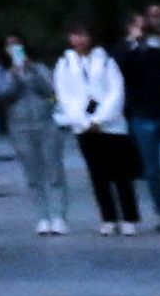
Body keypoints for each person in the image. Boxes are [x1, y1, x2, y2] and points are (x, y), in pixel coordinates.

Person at [57, 26, 136, 233]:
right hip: (83, 125)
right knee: (97, 174)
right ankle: (108, 217)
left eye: (83, 34)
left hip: (111, 125)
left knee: (120, 173)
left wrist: (100, 118)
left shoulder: (106, 60)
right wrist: (83, 120)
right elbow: (65, 95)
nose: (79, 39)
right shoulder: (65, 63)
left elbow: (116, 90)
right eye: (75, 34)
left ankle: (129, 217)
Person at [0, 38, 72, 236]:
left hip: (46, 123)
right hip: (19, 127)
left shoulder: (39, 67)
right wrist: (14, 76)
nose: (14, 49)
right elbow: (3, 95)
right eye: (9, 46)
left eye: (17, 45)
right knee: (33, 174)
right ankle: (42, 217)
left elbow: (50, 91)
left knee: (55, 171)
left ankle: (59, 217)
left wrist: (30, 74)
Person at [121, 7, 160, 228]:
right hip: (144, 116)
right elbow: (121, 67)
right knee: (152, 170)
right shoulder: (129, 51)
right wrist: (132, 42)